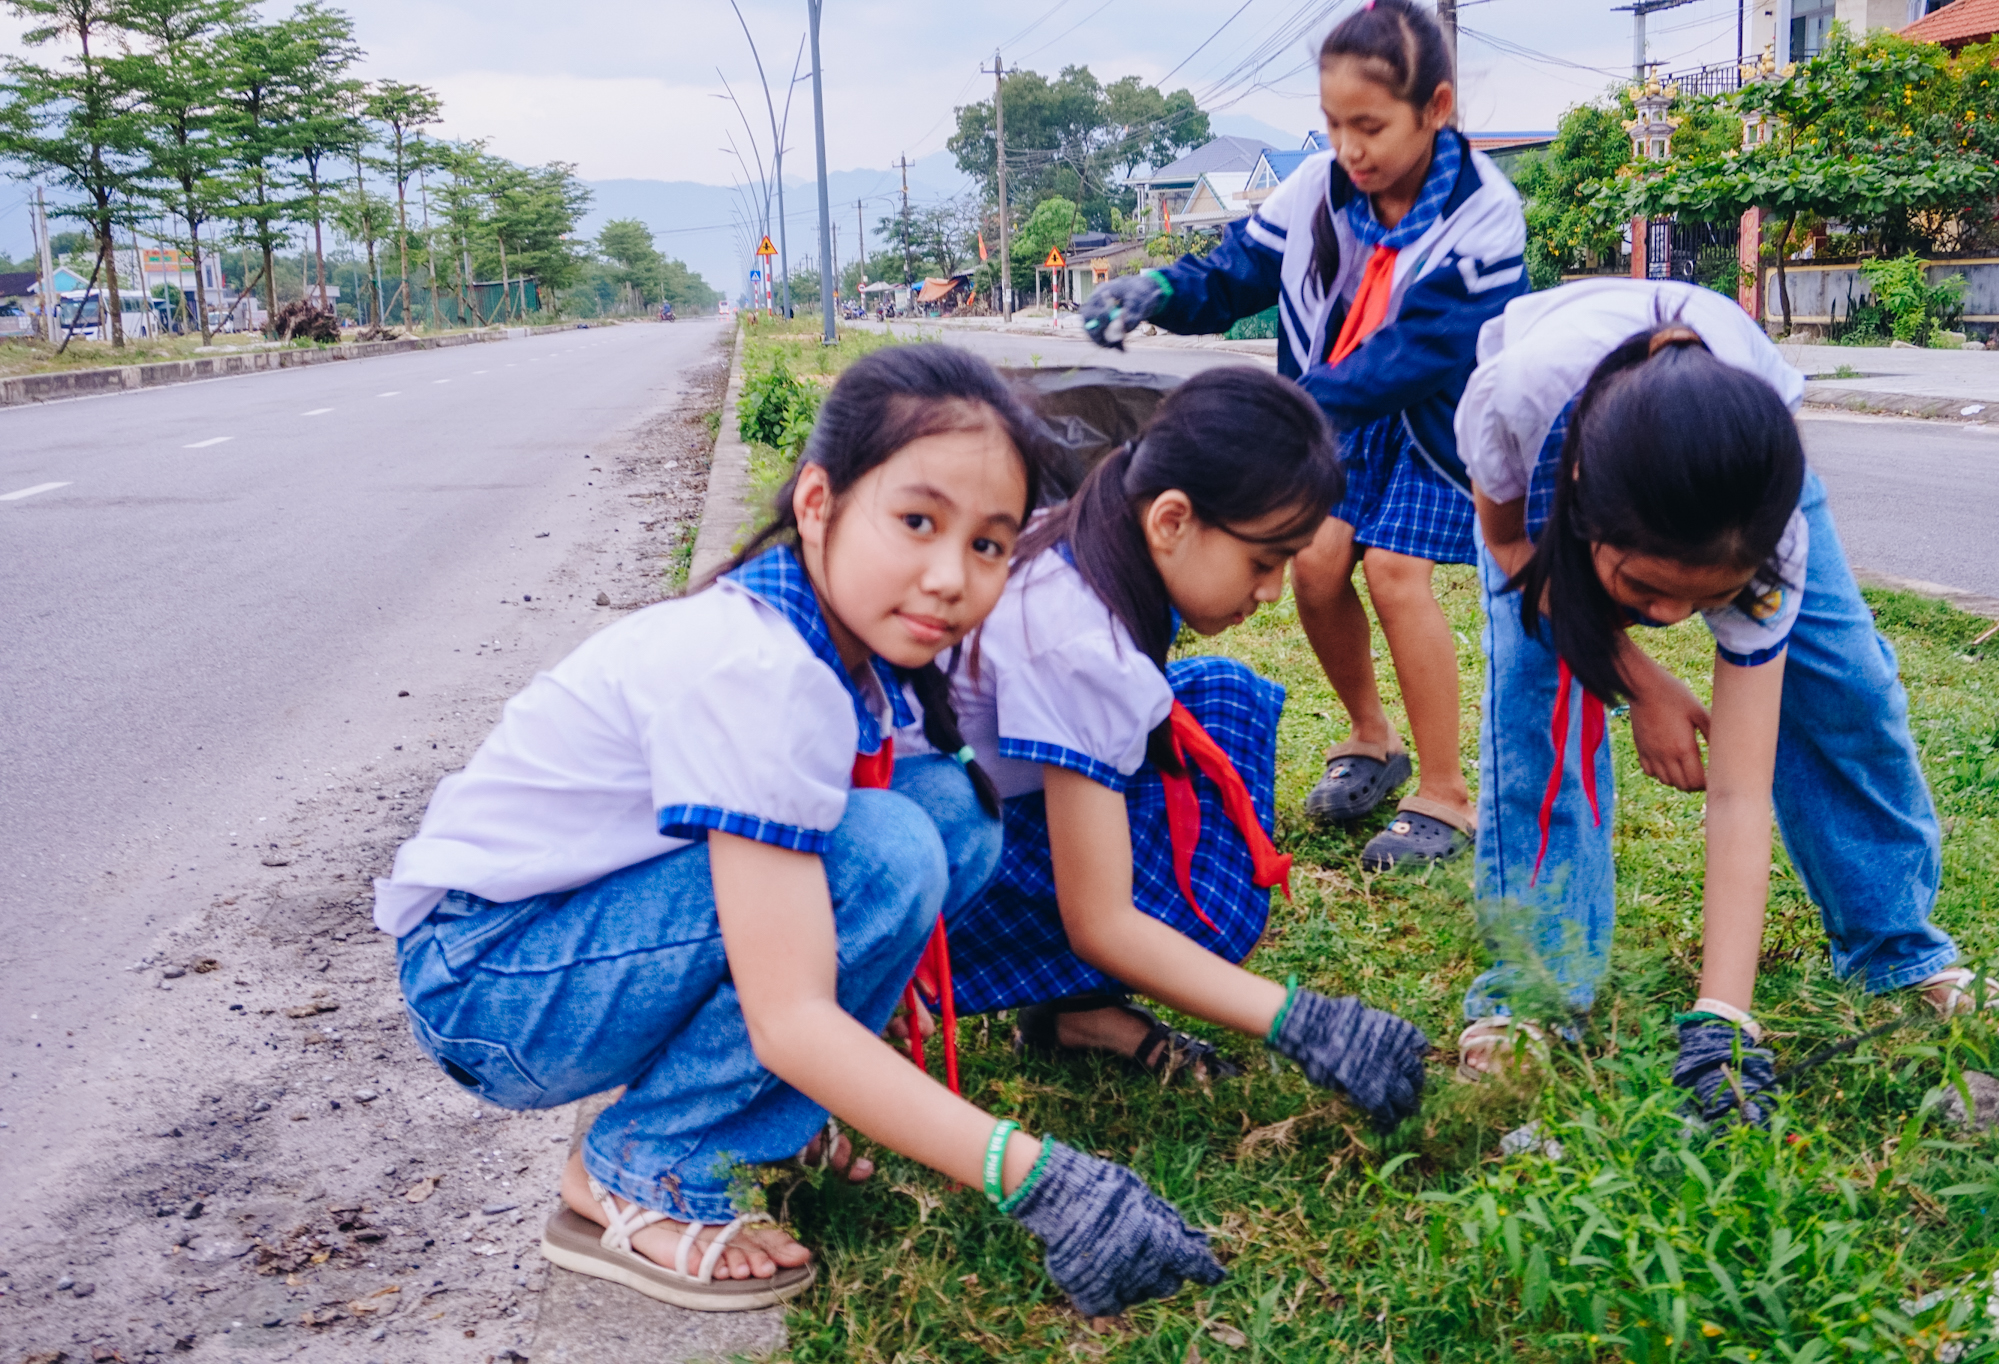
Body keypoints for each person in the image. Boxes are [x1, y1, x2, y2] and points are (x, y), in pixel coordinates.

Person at [375, 346, 1226, 1316]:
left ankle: (755, 1115)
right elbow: (790, 1010)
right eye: (915, 520)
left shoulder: (845, 642)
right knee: (886, 856)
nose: (950, 576)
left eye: (989, 543)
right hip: (493, 982)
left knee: (951, 816)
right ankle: (640, 1168)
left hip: (564, 942)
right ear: (818, 502)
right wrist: (1042, 1178)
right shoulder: (761, 672)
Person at [1453, 279, 1999, 1121]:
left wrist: (1722, 1020)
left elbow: (1738, 788)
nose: (1674, 619)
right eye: (1646, 590)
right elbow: (1507, 544)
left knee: (1848, 692)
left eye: (1703, 598)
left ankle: (1894, 947)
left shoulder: (1768, 529)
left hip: (1734, 478)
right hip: (1547, 483)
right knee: (1537, 709)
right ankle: (1531, 989)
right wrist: (1640, 680)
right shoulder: (1516, 397)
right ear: (1585, 505)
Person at [1080, 0, 1527, 870]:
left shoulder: (1483, 214)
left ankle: (1445, 794)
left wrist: (1281, 419)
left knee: (1397, 576)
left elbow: (1415, 354)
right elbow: (1239, 267)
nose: (1350, 148)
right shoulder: (1319, 188)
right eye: (1333, 125)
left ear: (1435, 109)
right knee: (1318, 565)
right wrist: (1161, 291)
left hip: (1436, 422)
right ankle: (1372, 740)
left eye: (1370, 125)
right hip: (1334, 410)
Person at [937, 367, 1431, 1130]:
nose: (1270, 592)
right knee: (1214, 893)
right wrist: (1307, 1024)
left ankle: (1076, 1012)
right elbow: (1098, 921)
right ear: (1172, 520)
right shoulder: (1080, 640)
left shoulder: (1097, 524)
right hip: (922, 871)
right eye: (1263, 562)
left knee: (1220, 702)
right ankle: (956, 985)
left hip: (969, 794)